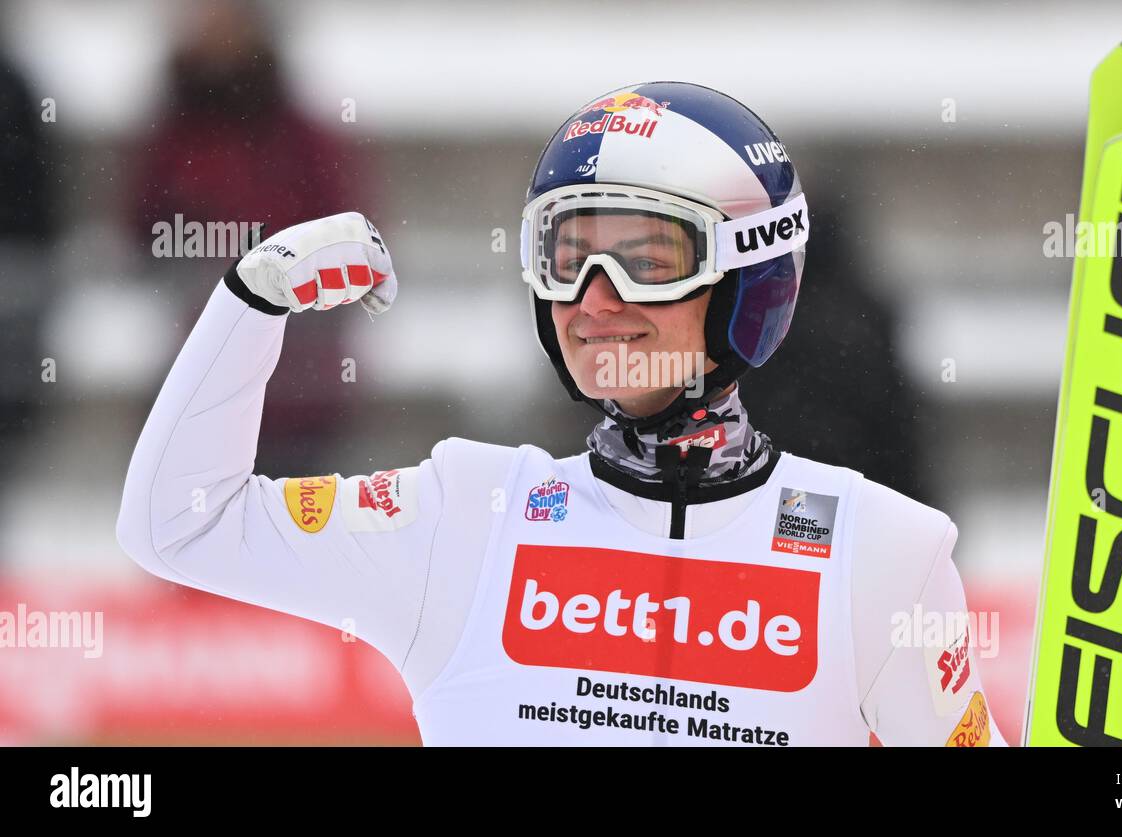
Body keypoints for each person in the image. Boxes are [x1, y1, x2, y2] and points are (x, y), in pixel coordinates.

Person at [117, 82, 1005, 746]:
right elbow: (178, 527)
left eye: (645, 257)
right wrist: (251, 300)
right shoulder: (463, 514)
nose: (595, 299)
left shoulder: (880, 551)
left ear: (750, 278)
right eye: (567, 253)